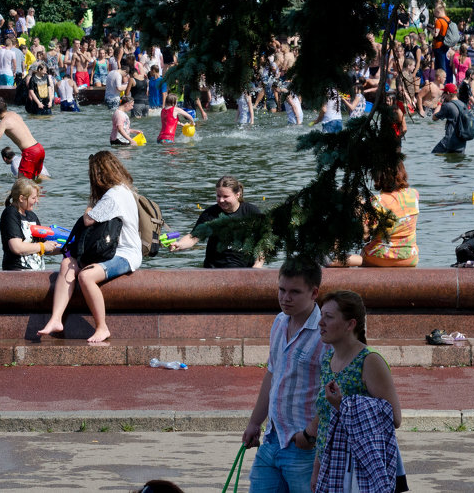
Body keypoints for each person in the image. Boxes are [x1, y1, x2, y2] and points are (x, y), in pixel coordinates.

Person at [38, 151, 141, 343]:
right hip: (109, 250)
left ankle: (102, 327)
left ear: (99, 175)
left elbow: (88, 220)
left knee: (86, 276)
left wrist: (88, 208)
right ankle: (56, 319)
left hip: (125, 254)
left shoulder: (114, 195)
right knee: (67, 263)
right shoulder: (124, 190)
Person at [241, 256, 325, 493]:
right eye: (281, 290)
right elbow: (272, 376)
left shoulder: (324, 333)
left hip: (304, 446)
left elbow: (334, 394)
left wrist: (308, 435)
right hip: (272, 439)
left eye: (294, 292)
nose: (285, 298)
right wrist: (255, 422)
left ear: (314, 292)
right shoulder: (279, 322)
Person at [307, 290, 403, 492]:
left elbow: (394, 417)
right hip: (330, 467)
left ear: (350, 324)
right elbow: (326, 420)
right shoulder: (328, 361)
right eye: (321, 315)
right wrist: (316, 470)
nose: (320, 323)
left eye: (329, 317)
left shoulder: (369, 360)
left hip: (359, 470)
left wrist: (344, 405)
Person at [168, 176, 264, 267]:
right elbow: (193, 238)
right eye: (218, 196)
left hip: (244, 269)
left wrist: (257, 266)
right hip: (214, 270)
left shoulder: (251, 212)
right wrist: (179, 244)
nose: (221, 200)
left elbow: (263, 241)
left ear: (237, 195)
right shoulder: (210, 214)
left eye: (226, 196)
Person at [342, 160, 419, 268]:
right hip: (410, 258)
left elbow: (365, 236)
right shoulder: (414, 194)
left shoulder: (376, 202)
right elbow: (396, 211)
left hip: (381, 257)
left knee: (338, 259)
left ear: (378, 177)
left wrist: (359, 210)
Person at [0, 178, 59, 271]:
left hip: (37, 271)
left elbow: (45, 246)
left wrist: (66, 248)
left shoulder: (32, 216)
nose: (37, 201)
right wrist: (42, 246)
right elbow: (16, 247)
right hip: (17, 271)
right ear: (21, 198)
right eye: (33, 198)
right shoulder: (10, 214)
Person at [0, 98, 45, 179]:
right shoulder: (13, 114)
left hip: (30, 152)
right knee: (37, 179)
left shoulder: (3, 123)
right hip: (39, 149)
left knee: (21, 184)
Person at [432, 82, 470, 153]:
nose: (443, 95)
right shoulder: (463, 105)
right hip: (462, 143)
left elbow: (434, 118)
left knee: (434, 155)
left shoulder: (448, 106)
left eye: (444, 93)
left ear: (448, 93)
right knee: (456, 162)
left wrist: (440, 103)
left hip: (449, 141)